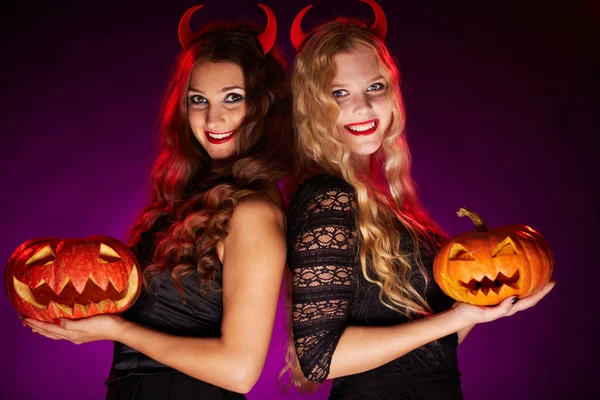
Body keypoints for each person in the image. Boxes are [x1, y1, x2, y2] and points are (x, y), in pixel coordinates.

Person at [282, 1, 555, 399]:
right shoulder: (328, 198)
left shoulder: (385, 201)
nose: (362, 107)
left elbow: (431, 352)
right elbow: (320, 358)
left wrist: (477, 312)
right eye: (339, 93)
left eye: (375, 87)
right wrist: (456, 316)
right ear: (313, 106)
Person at [23, 4, 295, 399]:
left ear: (264, 105)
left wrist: (115, 330)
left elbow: (239, 371)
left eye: (232, 98)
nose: (212, 119)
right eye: (198, 100)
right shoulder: (187, 197)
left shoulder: (253, 213)